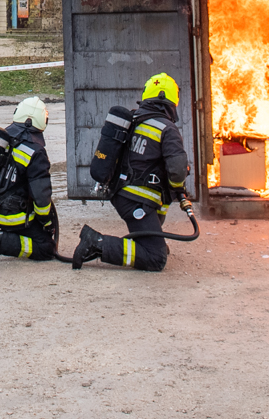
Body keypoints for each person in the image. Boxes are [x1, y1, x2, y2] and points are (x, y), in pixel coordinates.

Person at [70, 73, 190, 273]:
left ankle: (151, 241)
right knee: (155, 258)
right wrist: (179, 187)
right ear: (170, 101)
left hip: (123, 193)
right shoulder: (167, 129)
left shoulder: (133, 119)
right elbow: (177, 172)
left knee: (154, 242)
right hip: (136, 199)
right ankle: (96, 243)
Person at [0, 96, 57, 263]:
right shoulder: (36, 152)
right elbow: (41, 196)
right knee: (46, 249)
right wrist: (47, 222)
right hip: (12, 217)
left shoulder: (2, 138)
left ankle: (2, 233)